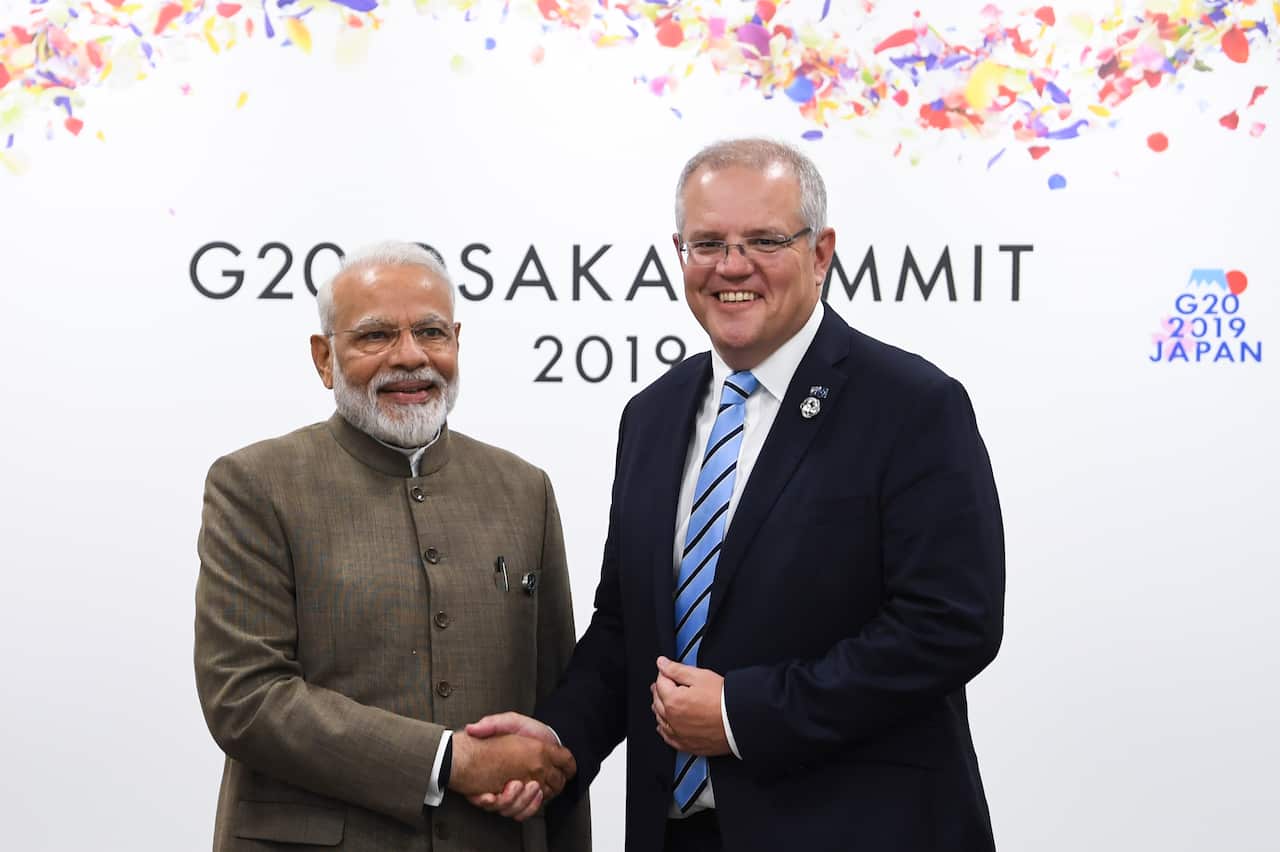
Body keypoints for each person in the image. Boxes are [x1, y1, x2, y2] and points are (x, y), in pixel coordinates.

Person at [469, 139, 1005, 851]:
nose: (731, 266)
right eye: (707, 243)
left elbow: (950, 624)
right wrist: (560, 737)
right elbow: (630, 623)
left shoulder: (911, 405)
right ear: (679, 254)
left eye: (764, 240)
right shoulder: (653, 415)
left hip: (858, 828)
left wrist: (742, 715)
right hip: (680, 832)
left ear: (821, 253)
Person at [194, 241, 590, 852]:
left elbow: (555, 712)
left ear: (457, 340)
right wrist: (448, 760)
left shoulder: (523, 489)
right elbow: (245, 696)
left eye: (431, 332)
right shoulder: (256, 484)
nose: (410, 358)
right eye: (375, 336)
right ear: (324, 358)